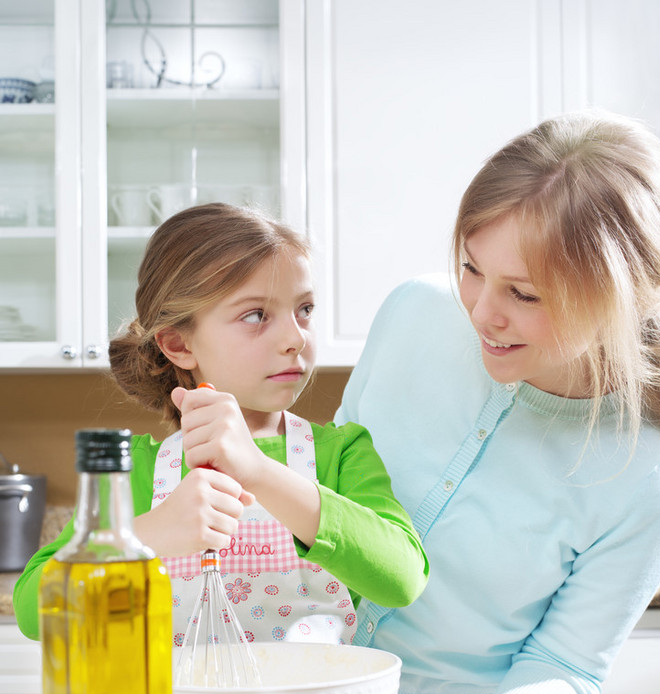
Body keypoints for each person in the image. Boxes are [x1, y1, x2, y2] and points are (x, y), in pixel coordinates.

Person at [336, 110, 660, 694]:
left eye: (524, 295)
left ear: (622, 301)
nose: (482, 311)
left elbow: (568, 661)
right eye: (472, 268)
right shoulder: (412, 313)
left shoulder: (650, 473)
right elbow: (325, 490)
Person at [14, 203, 429, 653]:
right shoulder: (136, 471)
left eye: (304, 309)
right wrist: (146, 537)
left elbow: (402, 579)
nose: (296, 338)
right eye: (256, 315)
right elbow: (33, 610)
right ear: (178, 343)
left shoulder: (341, 452)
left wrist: (257, 470)